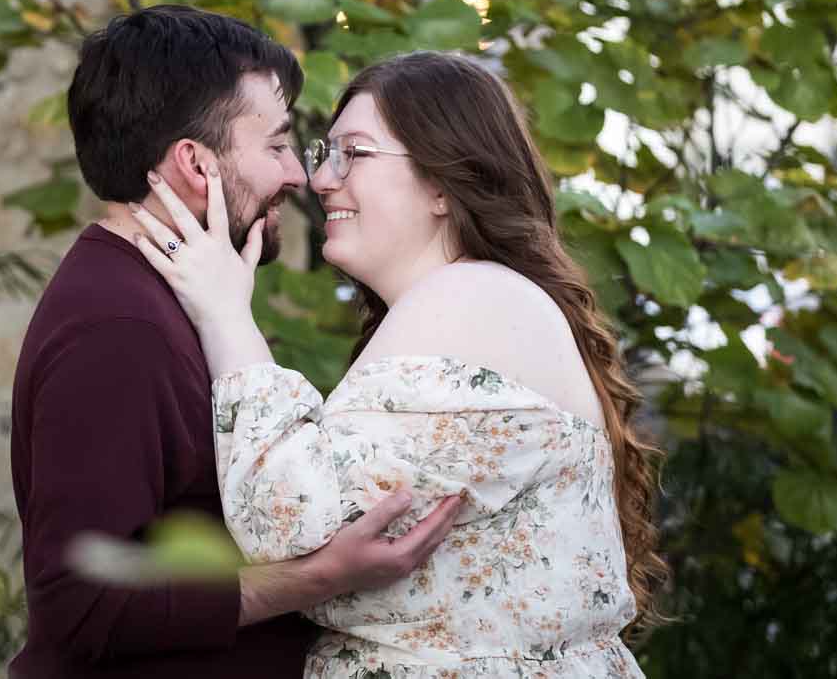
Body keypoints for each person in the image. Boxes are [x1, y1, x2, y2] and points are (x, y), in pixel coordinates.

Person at [124, 50, 666, 677]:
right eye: (326, 153)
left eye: (356, 153)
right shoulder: (471, 300)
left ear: (442, 183)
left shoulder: (470, 296)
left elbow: (286, 520)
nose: (322, 179)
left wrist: (225, 316)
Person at [9, 8, 464, 678]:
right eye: (277, 146)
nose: (298, 175)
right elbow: (80, 606)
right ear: (196, 162)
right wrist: (315, 577)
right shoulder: (117, 331)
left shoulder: (173, 299)